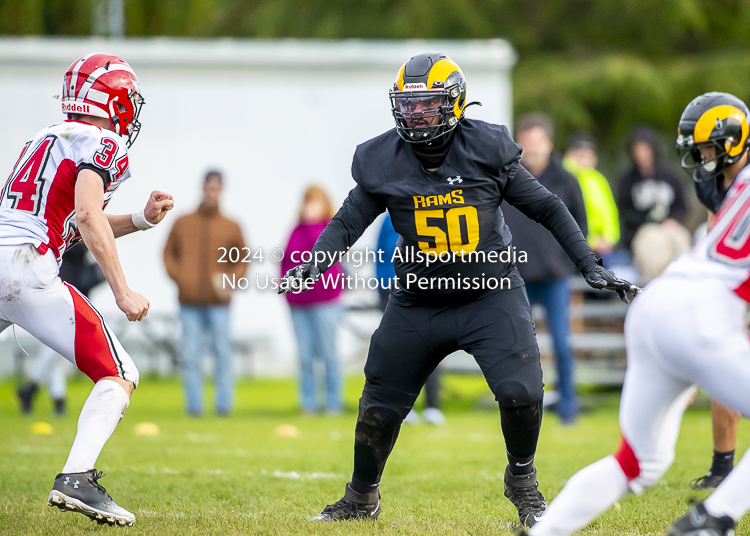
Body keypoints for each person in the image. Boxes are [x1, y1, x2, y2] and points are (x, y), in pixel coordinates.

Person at [279, 52, 638, 527]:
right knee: (379, 406)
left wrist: (588, 262)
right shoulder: (381, 158)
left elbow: (547, 207)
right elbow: (347, 221)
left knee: (522, 392)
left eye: (426, 104)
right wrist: (314, 261)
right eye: (407, 105)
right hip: (418, 296)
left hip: (489, 292)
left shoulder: (486, 148)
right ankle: (361, 496)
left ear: (454, 104)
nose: (414, 114)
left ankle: (522, 481)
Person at [524, 92, 750, 536]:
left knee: (637, 462)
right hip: (700, 315)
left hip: (658, 304)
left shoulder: (737, 185)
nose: (705, 161)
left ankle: (541, 533)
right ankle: (714, 518)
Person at [0, 53, 174, 526]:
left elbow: (71, 220)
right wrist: (122, 290)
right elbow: (86, 214)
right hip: (26, 266)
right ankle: (76, 477)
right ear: (114, 100)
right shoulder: (104, 140)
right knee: (120, 372)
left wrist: (139, 219)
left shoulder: (44, 136)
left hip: (7, 251)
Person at [503, 114, 588, 425]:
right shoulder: (507, 179)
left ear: (550, 144)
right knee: (517, 347)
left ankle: (568, 407)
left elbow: (580, 226)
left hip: (554, 278)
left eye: (538, 142)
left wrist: (567, 263)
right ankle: (519, 409)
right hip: (517, 278)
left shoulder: (567, 181)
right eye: (526, 143)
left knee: (562, 345)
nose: (532, 148)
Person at [163, 171, 246, 416]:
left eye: (216, 188)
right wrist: (182, 279)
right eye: (208, 188)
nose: (212, 192)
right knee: (190, 356)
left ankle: (223, 406)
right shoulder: (182, 221)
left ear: (222, 190)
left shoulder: (232, 226)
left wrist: (231, 282)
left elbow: (242, 260)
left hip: (219, 304)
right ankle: (194, 407)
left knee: (222, 354)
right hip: (188, 302)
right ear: (202, 188)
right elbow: (168, 254)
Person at [16, 244, 106, 416]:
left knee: (56, 351)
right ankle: (35, 390)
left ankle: (52, 397)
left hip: (69, 293)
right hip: (58, 293)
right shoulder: (60, 233)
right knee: (55, 348)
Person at [375, 213, 446, 426]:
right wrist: (382, 290)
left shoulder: (432, 214)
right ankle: (404, 407)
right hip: (392, 291)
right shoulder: (388, 220)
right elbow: (379, 256)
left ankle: (432, 406)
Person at [281, 185, 345, 414]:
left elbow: (321, 257)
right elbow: (287, 262)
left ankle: (333, 402)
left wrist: (311, 226)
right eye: (307, 201)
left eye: (315, 201)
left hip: (326, 302)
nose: (310, 206)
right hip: (299, 304)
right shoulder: (295, 230)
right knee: (305, 356)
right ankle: (308, 403)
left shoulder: (331, 228)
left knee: (329, 354)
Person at [617, 125, 688, 253]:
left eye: (645, 149)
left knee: (681, 239)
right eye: (637, 149)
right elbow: (625, 211)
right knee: (654, 243)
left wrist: (673, 220)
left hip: (670, 227)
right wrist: (653, 223)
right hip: (642, 231)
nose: (642, 154)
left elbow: (681, 205)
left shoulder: (670, 176)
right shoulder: (627, 179)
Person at [562, 132, 620, 257]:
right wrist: (591, 241)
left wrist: (609, 239)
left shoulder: (598, 179)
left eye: (588, 153)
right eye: (580, 153)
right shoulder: (564, 178)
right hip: (572, 247)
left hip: (602, 249)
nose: (585, 157)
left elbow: (610, 214)